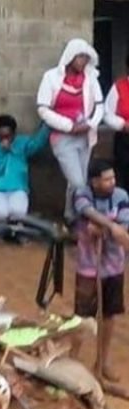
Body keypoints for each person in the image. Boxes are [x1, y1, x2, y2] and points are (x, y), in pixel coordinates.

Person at [71, 160, 129, 382]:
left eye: (113, 178)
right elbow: (84, 211)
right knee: (82, 315)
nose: (112, 182)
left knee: (109, 314)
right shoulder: (81, 193)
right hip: (88, 267)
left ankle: (102, 362)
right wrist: (111, 227)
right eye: (107, 179)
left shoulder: (121, 196)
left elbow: (124, 228)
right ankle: (72, 360)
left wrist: (103, 228)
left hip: (114, 266)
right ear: (94, 182)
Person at [37, 38, 104, 218]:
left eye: (86, 58)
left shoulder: (90, 78)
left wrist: (90, 124)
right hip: (62, 137)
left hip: (85, 136)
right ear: (70, 57)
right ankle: (84, 216)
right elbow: (43, 109)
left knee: (78, 179)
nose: (83, 61)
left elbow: (100, 105)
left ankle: (70, 215)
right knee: (78, 182)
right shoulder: (51, 77)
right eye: (80, 57)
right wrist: (69, 126)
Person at [0, 115, 49, 222]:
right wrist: (2, 151)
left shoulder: (21, 143)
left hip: (18, 188)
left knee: (18, 213)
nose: (4, 139)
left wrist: (47, 125)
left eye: (8, 136)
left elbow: (37, 144)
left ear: (14, 134)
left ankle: (15, 229)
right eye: (1, 136)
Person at [106, 52, 129, 191]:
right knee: (124, 177)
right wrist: (122, 125)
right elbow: (107, 114)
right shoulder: (119, 86)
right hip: (125, 140)